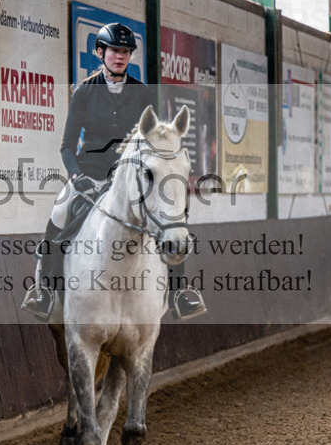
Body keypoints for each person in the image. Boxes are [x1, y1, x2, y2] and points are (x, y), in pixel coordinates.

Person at [21, 23, 206, 320]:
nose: (119, 57)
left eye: (124, 52)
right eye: (113, 51)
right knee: (60, 211)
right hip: (91, 173)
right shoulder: (84, 92)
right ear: (99, 53)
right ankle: (44, 289)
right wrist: (76, 176)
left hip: (130, 177)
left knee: (170, 214)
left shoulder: (143, 93)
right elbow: (67, 145)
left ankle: (179, 292)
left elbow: (153, 138)